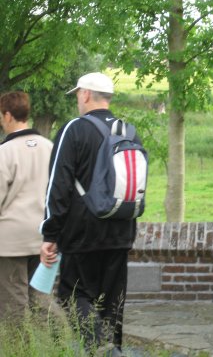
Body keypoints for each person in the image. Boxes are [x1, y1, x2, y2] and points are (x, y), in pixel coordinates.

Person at [39, 72, 141, 356]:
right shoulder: (129, 131)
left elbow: (57, 187)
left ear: (85, 94)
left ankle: (103, 349)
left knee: (73, 296)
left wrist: (50, 234)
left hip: (82, 232)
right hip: (121, 230)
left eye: (77, 95)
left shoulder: (74, 129)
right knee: (112, 302)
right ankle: (113, 348)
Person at [0, 91, 53, 322]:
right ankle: (61, 345)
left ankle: (17, 350)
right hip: (44, 236)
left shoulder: (4, 152)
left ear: (9, 116)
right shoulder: (49, 147)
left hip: (10, 242)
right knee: (41, 299)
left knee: (13, 303)